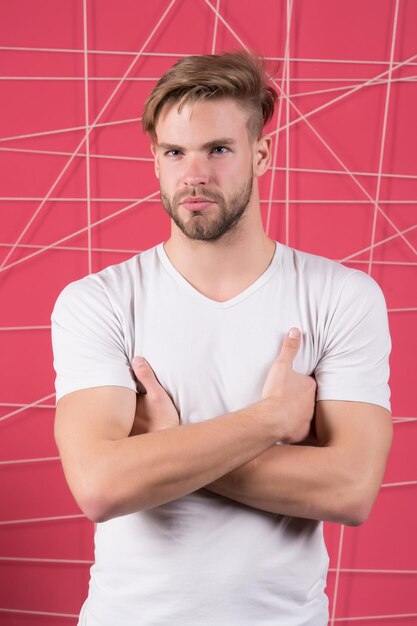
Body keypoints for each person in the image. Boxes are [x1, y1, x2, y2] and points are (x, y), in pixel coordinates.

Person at [51, 51, 393, 626]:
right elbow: (101, 484)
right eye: (175, 152)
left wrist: (167, 449)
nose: (195, 175)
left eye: (218, 149)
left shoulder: (342, 297)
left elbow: (351, 489)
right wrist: (268, 423)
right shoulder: (98, 301)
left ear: (261, 154)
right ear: (155, 161)